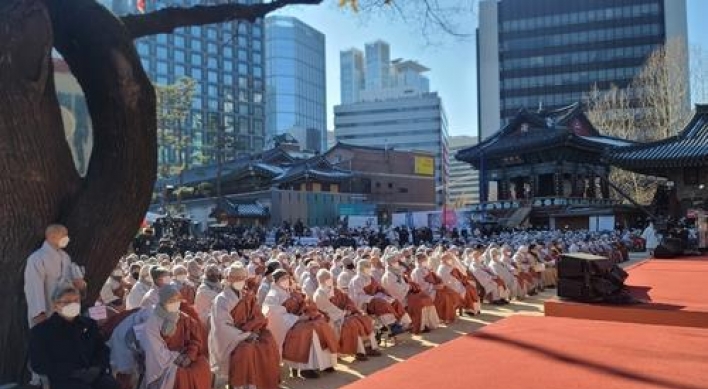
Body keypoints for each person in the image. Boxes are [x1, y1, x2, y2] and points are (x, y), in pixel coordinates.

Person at [24, 224, 86, 387]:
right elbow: (33, 287)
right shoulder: (37, 259)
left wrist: (79, 285)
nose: (67, 238)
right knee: (44, 346)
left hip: (64, 310)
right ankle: (42, 379)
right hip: (46, 311)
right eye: (64, 235)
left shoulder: (65, 257)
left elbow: (68, 282)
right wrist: (39, 312)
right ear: (51, 236)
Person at [29, 284, 119, 389]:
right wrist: (73, 372)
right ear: (55, 305)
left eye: (76, 301)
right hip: (64, 380)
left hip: (92, 375)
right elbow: (39, 364)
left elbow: (102, 350)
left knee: (110, 384)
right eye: (67, 302)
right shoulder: (42, 331)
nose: (72, 305)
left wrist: (97, 368)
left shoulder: (89, 325)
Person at [209, 264, 280, 389]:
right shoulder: (221, 300)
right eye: (236, 278)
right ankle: (242, 385)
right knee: (245, 350)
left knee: (268, 340)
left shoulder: (247, 295)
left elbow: (256, 315)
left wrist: (256, 328)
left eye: (242, 278)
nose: (239, 281)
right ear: (228, 279)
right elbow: (222, 327)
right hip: (231, 340)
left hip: (250, 332)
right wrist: (246, 335)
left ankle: (264, 383)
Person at [262, 270, 338, 379]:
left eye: (287, 278)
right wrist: (297, 318)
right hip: (288, 325)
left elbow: (303, 302)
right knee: (309, 331)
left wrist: (306, 312)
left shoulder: (289, 289)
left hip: (299, 319)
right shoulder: (272, 294)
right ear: (276, 281)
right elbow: (272, 313)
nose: (286, 280)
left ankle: (325, 364)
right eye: (282, 279)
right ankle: (305, 368)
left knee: (321, 324)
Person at [139, 285, 211, 389]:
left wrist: (190, 355)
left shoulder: (185, 318)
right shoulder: (153, 322)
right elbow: (155, 350)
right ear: (163, 302)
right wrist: (177, 358)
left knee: (202, 365)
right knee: (180, 375)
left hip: (186, 357)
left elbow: (195, 340)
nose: (175, 303)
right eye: (171, 300)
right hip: (165, 363)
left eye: (177, 300)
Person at [313, 269, 380, 361]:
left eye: (330, 278)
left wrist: (349, 308)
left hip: (345, 315)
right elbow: (328, 310)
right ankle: (359, 351)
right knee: (352, 324)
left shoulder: (335, 290)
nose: (331, 280)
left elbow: (347, 300)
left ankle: (370, 347)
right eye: (328, 279)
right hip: (332, 320)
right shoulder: (319, 294)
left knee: (364, 318)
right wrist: (344, 313)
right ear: (322, 281)